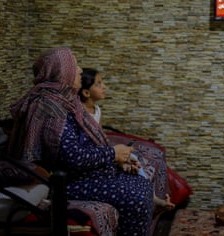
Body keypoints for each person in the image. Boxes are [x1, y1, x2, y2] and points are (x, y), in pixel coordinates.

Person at [8, 47, 154, 236]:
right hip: (64, 181)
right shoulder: (48, 106)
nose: (79, 70)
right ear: (62, 71)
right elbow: (72, 157)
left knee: (140, 183)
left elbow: (88, 142)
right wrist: (113, 154)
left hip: (80, 174)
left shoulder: (67, 101)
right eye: (74, 65)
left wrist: (119, 158)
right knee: (136, 196)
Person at [79, 67, 175, 211]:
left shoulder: (97, 110)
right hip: (94, 157)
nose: (104, 86)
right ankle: (153, 200)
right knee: (124, 162)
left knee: (134, 159)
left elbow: (102, 138)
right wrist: (113, 157)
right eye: (99, 84)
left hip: (104, 152)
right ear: (86, 92)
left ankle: (154, 198)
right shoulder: (79, 114)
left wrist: (121, 157)